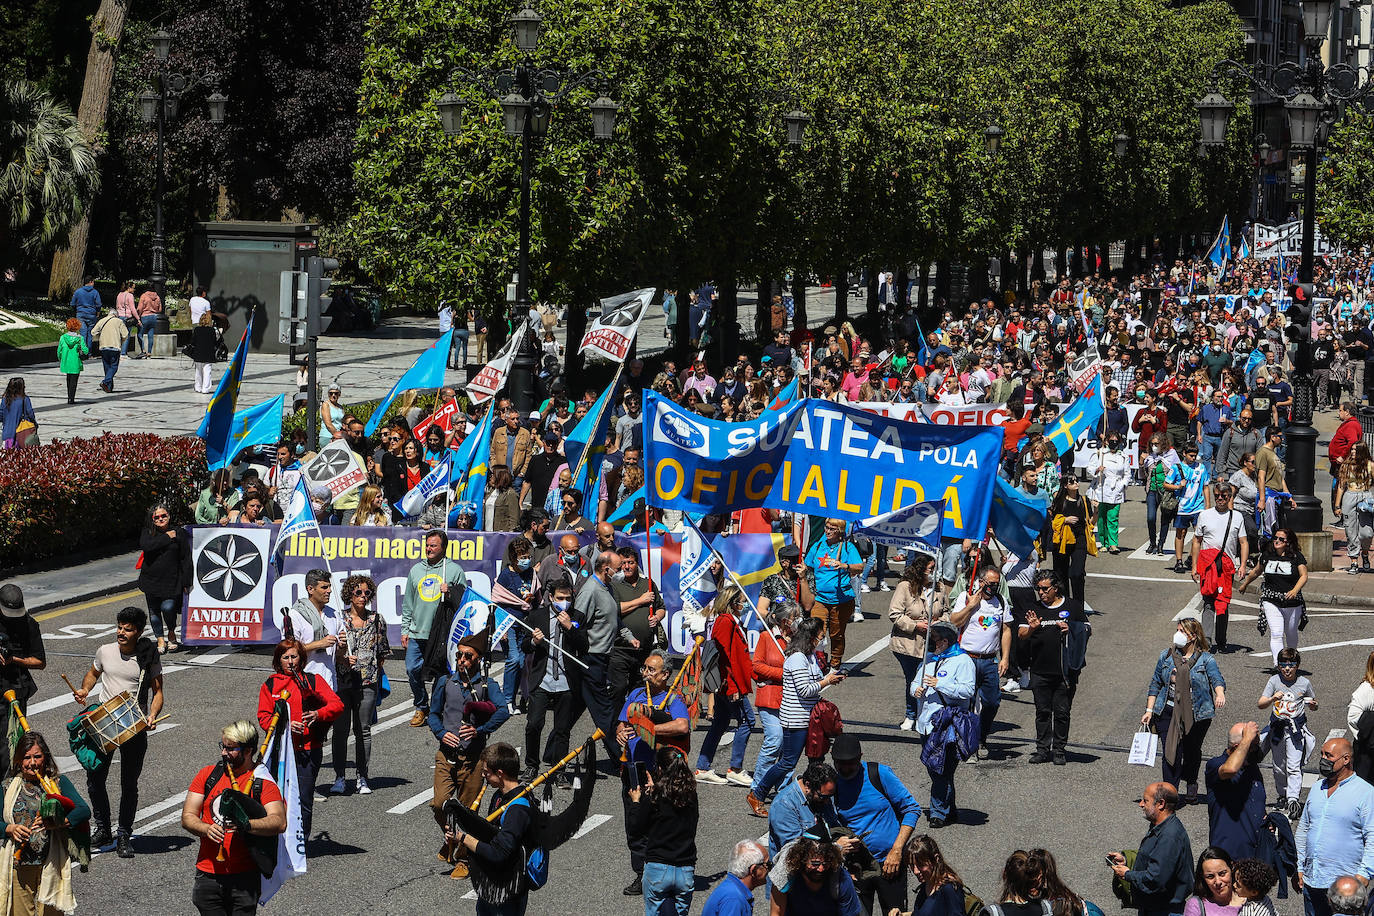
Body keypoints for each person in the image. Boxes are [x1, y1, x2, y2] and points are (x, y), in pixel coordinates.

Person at [69, 606, 163, 858]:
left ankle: (123, 834)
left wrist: (152, 715)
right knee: (95, 778)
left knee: (128, 783)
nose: (121, 633)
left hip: (133, 725)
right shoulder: (105, 651)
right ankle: (102, 829)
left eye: (127, 629)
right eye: (119, 627)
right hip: (104, 723)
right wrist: (84, 690)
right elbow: (93, 673)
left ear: (139, 632)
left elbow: (158, 692)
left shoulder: (148, 656)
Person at [181, 720, 287, 916]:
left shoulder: (262, 782)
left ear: (248, 751)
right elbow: (187, 816)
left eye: (230, 749)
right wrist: (205, 829)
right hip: (208, 873)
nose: (223, 753)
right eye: (223, 747)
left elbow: (279, 822)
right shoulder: (208, 775)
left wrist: (246, 825)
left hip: (244, 877)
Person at [429, 633, 510, 880]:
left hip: (473, 759)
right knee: (438, 802)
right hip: (446, 755)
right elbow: (432, 715)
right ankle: (451, 839)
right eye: (459, 654)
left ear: (478, 659)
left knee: (467, 812)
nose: (462, 659)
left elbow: (503, 711)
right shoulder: (445, 682)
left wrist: (480, 730)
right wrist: (441, 733)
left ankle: (463, 858)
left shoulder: (486, 687)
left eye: (468, 656)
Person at [616, 650, 690, 897]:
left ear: (665, 675)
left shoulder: (673, 698)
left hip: (659, 772)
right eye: (644, 669)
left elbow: (682, 725)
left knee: (658, 822)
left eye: (651, 670)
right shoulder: (636, 694)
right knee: (634, 823)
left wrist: (650, 728)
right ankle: (641, 873)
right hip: (633, 768)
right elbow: (623, 721)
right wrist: (620, 731)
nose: (645, 674)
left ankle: (659, 871)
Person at [255, 638, 342, 838]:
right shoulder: (270, 684)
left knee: (303, 799)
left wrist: (318, 714)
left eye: (294, 657)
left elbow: (337, 705)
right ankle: (275, 840)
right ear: (279, 661)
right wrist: (285, 726)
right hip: (279, 751)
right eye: (285, 658)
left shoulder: (312, 680)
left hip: (308, 750)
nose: (290, 661)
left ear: (301, 659)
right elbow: (263, 717)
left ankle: (299, 843)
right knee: (275, 797)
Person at [751, 619, 844, 803]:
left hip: (809, 718)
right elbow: (805, 689)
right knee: (787, 762)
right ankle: (758, 793)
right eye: (819, 636)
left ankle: (816, 797)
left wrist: (829, 677)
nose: (821, 640)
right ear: (810, 637)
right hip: (795, 719)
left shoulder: (809, 656)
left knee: (815, 760)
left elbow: (814, 682)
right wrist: (827, 682)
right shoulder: (797, 658)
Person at [829, 734, 921, 914]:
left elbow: (911, 809)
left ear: (861, 757)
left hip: (891, 864)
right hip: (856, 867)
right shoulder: (832, 783)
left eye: (851, 762)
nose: (846, 768)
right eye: (841, 762)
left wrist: (897, 850)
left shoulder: (878, 774)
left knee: (895, 913)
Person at [444, 742, 536, 916]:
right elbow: (490, 833)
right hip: (492, 883)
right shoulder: (499, 796)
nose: (484, 776)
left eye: (486, 772)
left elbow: (499, 853)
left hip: (506, 890)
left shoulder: (518, 809)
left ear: (499, 774)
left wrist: (463, 838)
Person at [1144, 618, 1226, 802]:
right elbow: (1155, 683)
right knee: (1170, 752)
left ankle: (1191, 780)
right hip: (1168, 711)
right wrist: (1149, 710)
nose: (1177, 634)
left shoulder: (1206, 659)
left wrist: (1220, 693)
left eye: (1182, 631)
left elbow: (1217, 679)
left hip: (1197, 715)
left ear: (1193, 636)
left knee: (1191, 751)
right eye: (1177, 630)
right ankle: (1169, 795)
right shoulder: (1166, 656)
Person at [1295, 738, 1374, 916]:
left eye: (1329, 756)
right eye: (1322, 754)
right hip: (1312, 881)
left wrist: (1364, 874)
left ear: (1346, 759)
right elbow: (1304, 829)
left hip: (1344, 888)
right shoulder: (1317, 789)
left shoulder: (1366, 793)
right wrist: (1300, 866)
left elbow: (1373, 837)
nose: (1323, 759)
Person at [331, 573, 390, 796]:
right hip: (343, 681)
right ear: (349, 595)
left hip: (367, 681)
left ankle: (362, 776)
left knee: (363, 730)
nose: (363, 597)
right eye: (358, 592)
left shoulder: (376, 620)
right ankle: (339, 776)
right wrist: (343, 657)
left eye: (366, 593)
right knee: (340, 730)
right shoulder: (339, 619)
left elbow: (382, 651)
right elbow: (331, 650)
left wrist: (371, 667)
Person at [912, 621, 974, 828]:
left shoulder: (963, 661)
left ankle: (938, 812)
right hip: (926, 724)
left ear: (945, 641)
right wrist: (916, 690)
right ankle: (950, 808)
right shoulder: (929, 660)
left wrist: (941, 685)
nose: (931, 644)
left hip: (947, 724)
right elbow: (915, 682)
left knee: (941, 769)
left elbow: (967, 691)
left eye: (935, 639)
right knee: (936, 769)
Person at [402, 530, 467, 727]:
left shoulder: (454, 570)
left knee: (440, 675)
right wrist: (405, 629)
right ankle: (422, 705)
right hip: (417, 632)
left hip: (441, 634)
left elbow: (463, 600)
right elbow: (408, 603)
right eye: (427, 545)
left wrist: (451, 591)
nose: (429, 549)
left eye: (433, 545)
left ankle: (435, 711)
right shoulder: (416, 570)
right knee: (412, 668)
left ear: (443, 548)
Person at [1023, 572, 1089, 766]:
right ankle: (1042, 749)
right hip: (1039, 670)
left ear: (1056, 588)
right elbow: (1021, 634)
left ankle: (1059, 749)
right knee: (1042, 712)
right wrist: (1032, 628)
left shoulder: (1073, 606)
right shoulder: (1033, 608)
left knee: (1062, 712)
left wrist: (1072, 629)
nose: (1041, 593)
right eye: (1039, 589)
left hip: (1065, 671)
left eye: (1045, 589)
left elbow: (1087, 629)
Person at [694, 585, 757, 788]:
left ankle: (703, 768)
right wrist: (731, 687)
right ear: (732, 603)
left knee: (720, 723)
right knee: (748, 720)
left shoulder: (731, 622)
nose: (744, 604)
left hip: (729, 683)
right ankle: (735, 769)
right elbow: (723, 657)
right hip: (729, 684)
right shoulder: (725, 622)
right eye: (741, 600)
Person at [521, 574, 580, 782]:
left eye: (568, 598)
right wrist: (534, 643)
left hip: (566, 681)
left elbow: (584, 645)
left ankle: (559, 770)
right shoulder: (537, 616)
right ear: (551, 597)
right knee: (534, 724)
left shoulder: (577, 616)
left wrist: (570, 628)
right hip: (542, 679)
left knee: (562, 730)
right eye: (560, 598)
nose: (564, 602)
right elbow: (524, 645)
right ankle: (531, 765)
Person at [629, 745, 699, 916]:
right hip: (685, 869)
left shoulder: (654, 797)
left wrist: (637, 801)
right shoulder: (691, 795)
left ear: (659, 769)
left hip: (658, 867)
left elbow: (636, 828)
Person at [1108, 782, 1195, 916]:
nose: (1141, 804)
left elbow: (1155, 879)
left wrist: (1127, 874)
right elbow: (1154, 857)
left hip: (1164, 911)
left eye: (1145, 800)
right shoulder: (1160, 825)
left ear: (1161, 804)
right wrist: (1126, 860)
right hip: (1153, 907)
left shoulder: (1169, 836)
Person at [950, 565, 1010, 755]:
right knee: (966, 703)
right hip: (967, 658)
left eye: (997, 584)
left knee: (992, 702)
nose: (994, 587)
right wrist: (970, 606)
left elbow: (1006, 630)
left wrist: (1005, 658)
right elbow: (955, 621)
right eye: (991, 584)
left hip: (989, 660)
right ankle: (966, 741)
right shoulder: (966, 597)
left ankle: (982, 736)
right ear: (981, 582)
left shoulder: (1001, 601)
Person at [571, 550, 624, 761]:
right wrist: (581, 650)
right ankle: (617, 754)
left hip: (604, 656)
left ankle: (552, 751)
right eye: (617, 569)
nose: (620, 572)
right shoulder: (590, 590)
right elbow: (577, 622)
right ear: (605, 568)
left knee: (577, 708)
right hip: (591, 658)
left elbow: (614, 619)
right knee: (604, 709)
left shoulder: (608, 588)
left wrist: (628, 636)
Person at [1192, 482, 1249, 651]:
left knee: (1223, 603)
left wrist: (1243, 565)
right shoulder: (1205, 515)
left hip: (1227, 567)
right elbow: (1197, 541)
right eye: (1217, 496)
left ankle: (1221, 639)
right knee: (1208, 602)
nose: (1220, 499)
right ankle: (1207, 639)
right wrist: (1194, 566)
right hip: (1208, 566)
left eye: (1224, 496)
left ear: (1230, 498)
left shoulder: (1237, 516)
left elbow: (1243, 542)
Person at [1237, 529, 1309, 664]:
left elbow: (1304, 576)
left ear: (1288, 542)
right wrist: (1245, 584)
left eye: (1281, 539)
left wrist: (1295, 590)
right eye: (1276, 538)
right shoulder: (1267, 555)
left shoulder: (1296, 556)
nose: (1277, 541)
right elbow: (1256, 571)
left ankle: (1292, 659)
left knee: (1291, 633)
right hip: (1271, 600)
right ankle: (1279, 664)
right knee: (1276, 632)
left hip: (1292, 602)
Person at [1204, 722, 1268, 860]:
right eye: (1254, 746)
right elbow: (1230, 769)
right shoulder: (1215, 765)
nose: (1258, 750)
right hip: (1228, 856)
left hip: (1254, 855)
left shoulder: (1252, 768)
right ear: (1238, 747)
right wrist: (1247, 739)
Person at [889, 556, 940, 733]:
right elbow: (895, 614)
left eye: (934, 568)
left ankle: (925, 715)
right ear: (920, 569)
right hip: (909, 645)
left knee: (930, 681)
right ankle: (911, 715)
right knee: (914, 680)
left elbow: (947, 611)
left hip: (932, 643)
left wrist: (938, 623)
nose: (933, 571)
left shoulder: (938, 588)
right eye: (930, 568)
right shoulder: (905, 587)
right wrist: (915, 625)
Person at [767, 824, 863, 916]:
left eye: (826, 863)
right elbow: (776, 913)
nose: (821, 869)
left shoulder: (841, 879)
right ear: (802, 859)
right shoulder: (785, 875)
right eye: (815, 863)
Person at [805, 519, 863, 668]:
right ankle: (818, 660)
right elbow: (807, 566)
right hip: (819, 598)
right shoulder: (818, 545)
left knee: (837, 634)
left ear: (840, 531)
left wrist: (845, 565)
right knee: (816, 632)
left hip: (842, 600)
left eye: (832, 529)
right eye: (827, 527)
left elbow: (860, 567)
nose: (828, 531)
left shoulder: (848, 547)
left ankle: (835, 662)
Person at [0, 586, 45, 775]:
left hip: (14, 692)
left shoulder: (29, 624)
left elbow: (40, 662)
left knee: (8, 746)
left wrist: (14, 659)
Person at [282, 568, 343, 692]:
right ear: (310, 589)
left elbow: (338, 654)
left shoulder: (334, 615)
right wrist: (320, 644)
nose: (329, 591)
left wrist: (343, 645)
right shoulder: (295, 615)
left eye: (329, 587)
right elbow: (288, 650)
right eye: (324, 587)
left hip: (329, 684)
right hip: (303, 684)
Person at [138, 503, 186, 654]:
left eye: (163, 516)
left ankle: (171, 632)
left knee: (168, 607)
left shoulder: (178, 532)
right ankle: (160, 638)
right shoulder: (148, 533)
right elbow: (148, 546)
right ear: (152, 520)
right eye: (156, 517)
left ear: (169, 516)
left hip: (171, 581)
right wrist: (166, 537)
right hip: (151, 580)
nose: (160, 519)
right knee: (154, 612)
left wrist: (186, 581)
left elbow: (185, 557)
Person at [1167, 444, 1212, 574]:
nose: (1193, 458)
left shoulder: (1201, 468)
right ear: (1184, 454)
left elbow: (1205, 487)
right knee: (1181, 533)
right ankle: (1179, 561)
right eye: (1191, 456)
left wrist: (1207, 505)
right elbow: (1166, 484)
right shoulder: (1177, 468)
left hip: (1198, 506)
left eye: (1195, 456)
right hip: (1182, 507)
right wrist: (1177, 487)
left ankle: (1193, 558)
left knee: (1199, 534)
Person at [1048, 478, 1094, 601]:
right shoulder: (1059, 501)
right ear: (1065, 486)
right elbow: (1052, 521)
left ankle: (1079, 606)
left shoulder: (1084, 500)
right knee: (1060, 575)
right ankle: (1064, 603)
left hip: (1080, 540)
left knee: (1077, 574)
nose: (1076, 484)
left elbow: (1091, 523)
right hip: (1062, 541)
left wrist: (1097, 511)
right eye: (1072, 482)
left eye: (1077, 481)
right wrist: (1065, 520)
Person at [1334, 442, 1374, 574]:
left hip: (1365, 498)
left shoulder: (1370, 465)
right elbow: (1341, 486)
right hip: (1349, 497)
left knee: (1366, 533)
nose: (1352, 452)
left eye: (1355, 450)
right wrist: (1337, 505)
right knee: (1351, 532)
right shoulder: (1346, 465)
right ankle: (1354, 561)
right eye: (1351, 450)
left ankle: (1365, 553)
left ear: (1362, 451)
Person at [700, 839, 769, 916]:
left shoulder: (731, 887)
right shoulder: (733, 900)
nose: (770, 868)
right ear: (753, 870)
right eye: (767, 864)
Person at [1089, 432, 1131, 554]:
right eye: (1111, 440)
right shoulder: (1099, 454)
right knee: (1101, 518)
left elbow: (1127, 474)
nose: (1113, 442)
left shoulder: (1123, 456)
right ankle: (1104, 543)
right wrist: (1097, 470)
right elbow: (1090, 469)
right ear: (1106, 441)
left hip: (1116, 490)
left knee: (1113, 517)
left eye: (1116, 440)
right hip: (1101, 489)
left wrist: (1122, 485)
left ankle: (1113, 543)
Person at [906, 834, 967, 916]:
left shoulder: (949, 889)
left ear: (936, 859)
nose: (915, 871)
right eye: (912, 865)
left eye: (921, 865)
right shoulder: (927, 884)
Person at [1184, 847, 1240, 916]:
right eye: (1210, 876)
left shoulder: (1250, 901)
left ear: (1232, 868)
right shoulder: (1196, 906)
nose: (1218, 882)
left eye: (1222, 873)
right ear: (1203, 877)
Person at [90, 305, 128, 393]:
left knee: (107, 367)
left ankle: (109, 387)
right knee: (114, 366)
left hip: (103, 346)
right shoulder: (119, 321)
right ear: (115, 315)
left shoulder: (102, 321)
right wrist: (121, 341)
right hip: (115, 346)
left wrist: (100, 335)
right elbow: (125, 334)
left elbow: (93, 332)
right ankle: (105, 382)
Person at [56, 318, 88, 404]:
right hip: (75, 362)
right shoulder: (80, 338)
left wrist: (61, 359)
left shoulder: (63, 337)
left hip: (66, 361)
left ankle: (69, 397)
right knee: (74, 381)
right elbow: (85, 351)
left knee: (68, 379)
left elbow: (59, 351)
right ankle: (72, 398)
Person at [1, 377, 36, 449]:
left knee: (8, 457)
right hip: (21, 433)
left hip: (8, 434)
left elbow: (1, 415)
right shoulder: (25, 399)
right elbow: (31, 414)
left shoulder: (5, 399)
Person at [191, 313, 218, 394]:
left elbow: (193, 342)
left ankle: (198, 387)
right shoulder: (212, 330)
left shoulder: (197, 330)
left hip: (198, 353)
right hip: (208, 354)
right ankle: (205, 389)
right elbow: (215, 342)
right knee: (207, 372)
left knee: (198, 372)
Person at [135, 286, 161, 354]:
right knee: (151, 336)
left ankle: (143, 350)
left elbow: (140, 308)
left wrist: (138, 317)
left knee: (140, 334)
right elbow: (160, 309)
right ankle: (149, 352)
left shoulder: (143, 296)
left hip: (145, 317)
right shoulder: (157, 297)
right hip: (154, 317)